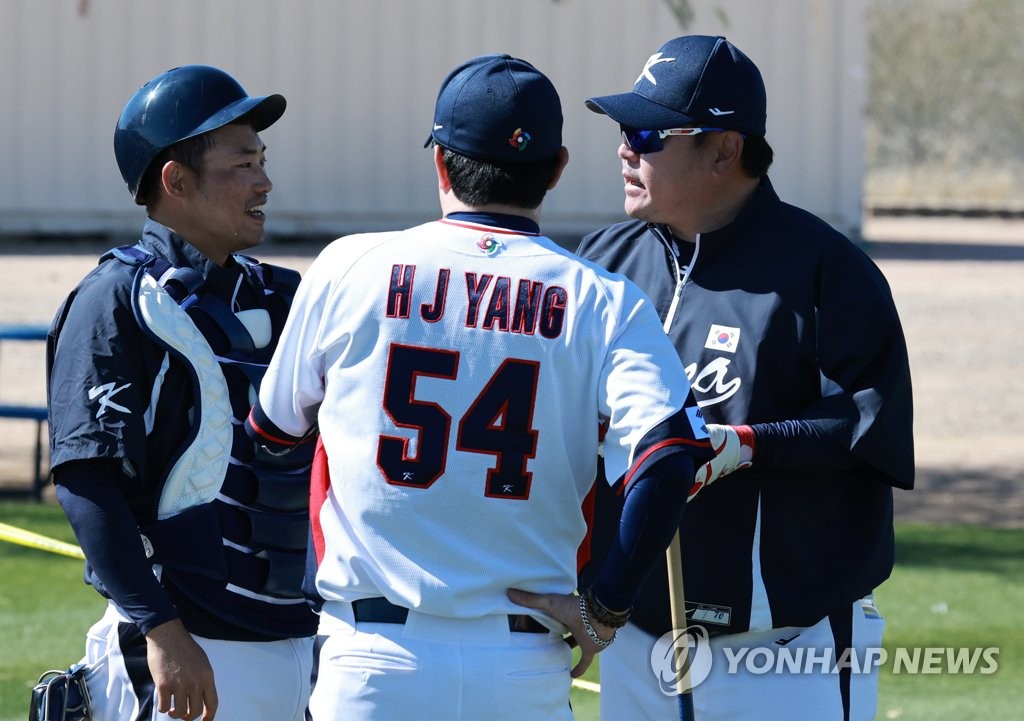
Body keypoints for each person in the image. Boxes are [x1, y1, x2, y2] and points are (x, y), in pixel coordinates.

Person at [244, 53, 714, 721]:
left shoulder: (350, 265)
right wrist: (605, 606)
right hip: (520, 661)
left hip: (372, 657)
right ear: (556, 168)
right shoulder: (605, 300)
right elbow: (669, 456)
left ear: (440, 161)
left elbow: (272, 433)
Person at [576, 35, 915, 721]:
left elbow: (871, 428)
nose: (624, 149)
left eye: (645, 132)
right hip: (630, 636)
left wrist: (748, 443)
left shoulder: (826, 271)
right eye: (621, 130)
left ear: (723, 149)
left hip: (786, 646)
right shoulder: (601, 263)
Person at [46, 65, 318, 721]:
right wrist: (161, 631)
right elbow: (86, 481)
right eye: (243, 163)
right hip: (179, 651)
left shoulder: (286, 296)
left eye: (263, 160)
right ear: (176, 180)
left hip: (302, 647)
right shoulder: (115, 300)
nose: (264, 182)